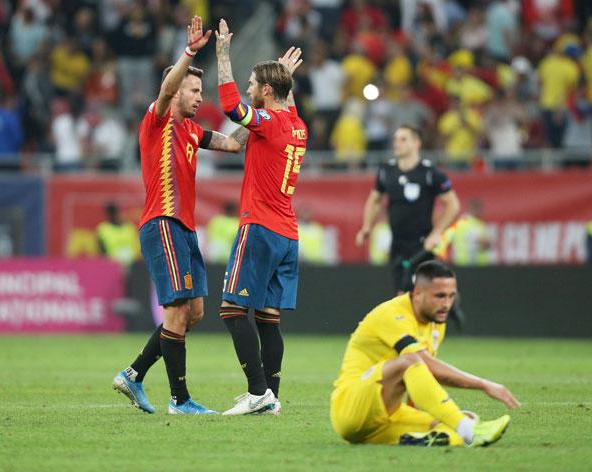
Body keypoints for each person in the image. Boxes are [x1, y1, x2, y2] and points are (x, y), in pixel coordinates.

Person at [112, 16, 244, 416]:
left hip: (185, 229)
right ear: (173, 93)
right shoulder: (158, 121)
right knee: (176, 311)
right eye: (192, 89)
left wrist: (261, 115)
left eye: (200, 91)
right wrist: (188, 53)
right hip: (163, 222)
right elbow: (167, 86)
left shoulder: (191, 130)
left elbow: (234, 144)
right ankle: (180, 400)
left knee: (195, 313)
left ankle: (134, 374)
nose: (198, 97)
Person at [215, 19, 308, 415]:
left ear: (266, 90)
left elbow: (231, 107)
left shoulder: (267, 123)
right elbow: (277, 107)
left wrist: (222, 56)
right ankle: (271, 397)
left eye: (254, 84)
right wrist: (282, 77)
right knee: (269, 320)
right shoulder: (298, 126)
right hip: (288, 233)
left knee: (232, 310)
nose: (249, 89)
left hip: (261, 228)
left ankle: (257, 393)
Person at [330, 260, 519, 447]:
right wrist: (483, 384)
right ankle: (468, 429)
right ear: (418, 294)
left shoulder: (436, 324)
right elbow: (420, 363)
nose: (447, 304)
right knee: (411, 361)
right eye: (440, 296)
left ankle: (426, 438)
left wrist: (425, 418)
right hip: (351, 409)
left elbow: (421, 378)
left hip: (386, 419)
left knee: (458, 421)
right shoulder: (393, 314)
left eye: (451, 296)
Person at [356, 124, 460, 294]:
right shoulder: (387, 171)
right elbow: (375, 199)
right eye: (395, 139)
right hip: (397, 243)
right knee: (402, 294)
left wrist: (436, 233)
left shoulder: (429, 173)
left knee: (412, 293)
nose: (397, 143)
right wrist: (366, 227)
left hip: (421, 244)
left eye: (403, 139)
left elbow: (453, 204)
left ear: (416, 143)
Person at [96, 202, 140, 268]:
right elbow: (101, 251)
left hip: (132, 265)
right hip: (112, 265)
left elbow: (138, 247)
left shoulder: (130, 227)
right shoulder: (103, 229)